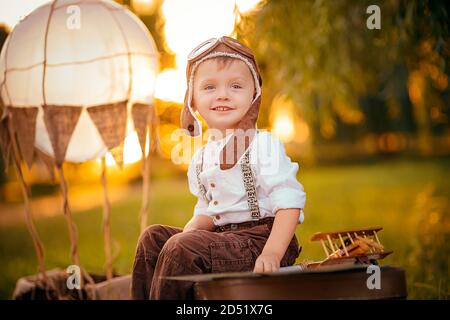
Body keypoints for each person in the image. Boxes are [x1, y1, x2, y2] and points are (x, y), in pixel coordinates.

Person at [131, 36, 306, 299]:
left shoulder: (262, 145)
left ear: (254, 94)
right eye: (209, 87)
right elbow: (208, 213)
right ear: (193, 100)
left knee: (182, 248)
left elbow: (289, 203)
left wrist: (272, 252)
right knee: (153, 238)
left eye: (235, 86)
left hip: (262, 240)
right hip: (223, 240)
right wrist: (188, 232)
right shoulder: (202, 157)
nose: (222, 94)